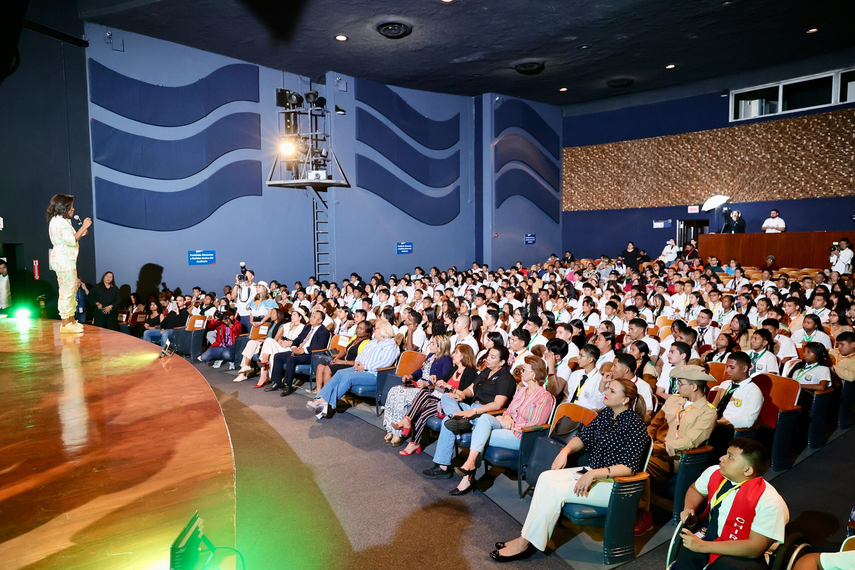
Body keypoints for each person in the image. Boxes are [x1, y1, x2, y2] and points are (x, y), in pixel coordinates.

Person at [491, 377, 649, 562]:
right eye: (607, 388)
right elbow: (584, 438)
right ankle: (526, 538)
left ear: (625, 400)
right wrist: (565, 451)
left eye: (612, 391)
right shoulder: (607, 414)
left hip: (614, 484)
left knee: (555, 491)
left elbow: (629, 468)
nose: (606, 392)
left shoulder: (635, 425)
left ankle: (524, 544)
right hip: (592, 471)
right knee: (545, 478)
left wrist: (592, 474)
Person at [674, 439, 788, 570]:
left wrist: (702, 546)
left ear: (747, 471)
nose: (721, 458)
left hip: (745, 551)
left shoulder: (770, 502)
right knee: (688, 551)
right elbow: (695, 490)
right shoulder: (714, 472)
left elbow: (755, 548)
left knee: (727, 566)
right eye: (726, 454)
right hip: (713, 534)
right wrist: (689, 507)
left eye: (730, 457)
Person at [450, 356, 555, 495]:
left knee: (479, 433)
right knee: (485, 418)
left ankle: (468, 474)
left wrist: (511, 425)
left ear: (534, 374)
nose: (520, 371)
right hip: (507, 425)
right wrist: (506, 417)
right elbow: (509, 410)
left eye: (524, 369)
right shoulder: (522, 390)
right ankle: (469, 466)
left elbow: (534, 425)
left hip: (520, 436)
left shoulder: (545, 397)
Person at [638, 365, 718, 535]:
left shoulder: (708, 412)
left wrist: (656, 449)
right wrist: (648, 440)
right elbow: (655, 423)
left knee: (638, 462)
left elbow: (690, 441)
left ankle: (644, 514)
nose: (677, 387)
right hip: (655, 449)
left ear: (694, 386)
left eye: (681, 384)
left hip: (675, 457)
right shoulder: (674, 400)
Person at [421, 345, 516, 480]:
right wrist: (461, 395)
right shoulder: (485, 371)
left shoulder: (505, 378)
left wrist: (473, 411)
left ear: (501, 362)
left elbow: (498, 404)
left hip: (485, 414)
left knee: (446, 422)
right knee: (446, 397)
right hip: (471, 407)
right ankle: (458, 419)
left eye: (492, 357)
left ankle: (443, 467)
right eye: (488, 355)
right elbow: (470, 390)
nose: (488, 359)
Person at [396, 344, 479, 457]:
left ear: (463, 356)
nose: (452, 355)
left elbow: (465, 395)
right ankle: (408, 422)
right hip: (440, 398)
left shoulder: (471, 373)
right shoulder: (454, 369)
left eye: (455, 353)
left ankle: (413, 438)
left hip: (453, 404)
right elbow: (441, 384)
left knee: (424, 410)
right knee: (424, 393)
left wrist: (448, 386)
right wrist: (436, 380)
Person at [308, 320, 400, 417]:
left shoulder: (390, 344)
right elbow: (361, 355)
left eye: (376, 328)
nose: (374, 330)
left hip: (374, 374)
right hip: (361, 368)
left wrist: (365, 367)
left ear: (382, 330)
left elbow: (385, 362)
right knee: (339, 373)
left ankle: (325, 401)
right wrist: (357, 362)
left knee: (348, 377)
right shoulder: (373, 342)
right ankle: (320, 399)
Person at [383, 335, 452, 446]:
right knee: (393, 390)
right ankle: (390, 428)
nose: (430, 345)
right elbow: (420, 370)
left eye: (433, 343)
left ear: (440, 347)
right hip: (418, 385)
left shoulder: (446, 359)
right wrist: (410, 376)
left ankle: (398, 433)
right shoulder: (430, 355)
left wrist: (427, 383)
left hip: (429, 391)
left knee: (401, 395)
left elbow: (444, 380)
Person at [47, 194, 92, 333]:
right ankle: (66, 323)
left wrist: (82, 230)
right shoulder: (59, 222)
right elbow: (71, 240)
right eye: (71, 207)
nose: (73, 209)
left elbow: (73, 236)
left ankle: (71, 320)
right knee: (67, 290)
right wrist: (84, 226)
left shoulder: (62, 221)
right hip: (64, 260)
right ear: (63, 207)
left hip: (67, 259)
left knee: (71, 289)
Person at [710, 352, 764, 453]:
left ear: (744, 369)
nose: (727, 371)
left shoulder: (753, 391)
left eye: (732, 368)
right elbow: (714, 406)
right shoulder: (725, 384)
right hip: (713, 424)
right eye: (727, 367)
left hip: (729, 431)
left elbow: (748, 421)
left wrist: (721, 422)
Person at [311, 320, 373, 394]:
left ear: (367, 331)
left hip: (350, 365)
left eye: (361, 329)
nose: (358, 330)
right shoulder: (355, 337)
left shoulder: (366, 343)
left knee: (328, 368)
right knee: (320, 366)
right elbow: (345, 350)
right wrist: (336, 358)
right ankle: (319, 393)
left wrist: (341, 361)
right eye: (358, 328)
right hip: (342, 361)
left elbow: (358, 363)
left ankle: (326, 395)